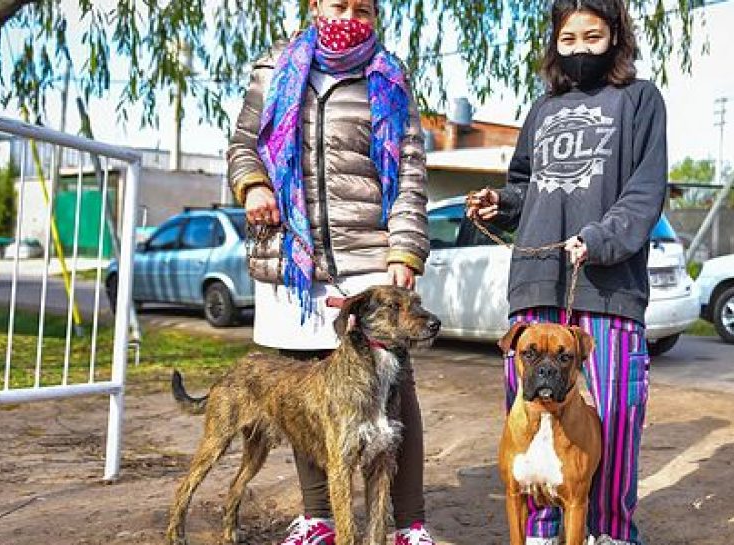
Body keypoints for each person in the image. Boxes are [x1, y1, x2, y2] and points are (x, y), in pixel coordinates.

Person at [226, 0, 432, 543]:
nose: (351, 16)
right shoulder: (275, 67)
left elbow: (409, 169)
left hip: (368, 256)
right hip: (291, 259)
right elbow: (244, 145)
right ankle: (318, 516)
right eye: (339, 3)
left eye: (363, 8)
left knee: (393, 394)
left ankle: (407, 524)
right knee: (304, 392)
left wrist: (403, 251)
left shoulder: (388, 76)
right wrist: (255, 186)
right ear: (314, 5)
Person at [466, 1, 667, 543]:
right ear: (556, 43)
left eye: (593, 37)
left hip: (610, 282)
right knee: (531, 413)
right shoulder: (542, 108)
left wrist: (601, 238)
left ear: (616, 36)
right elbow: (524, 183)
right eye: (569, 38)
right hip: (536, 277)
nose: (580, 49)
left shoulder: (641, 101)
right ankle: (540, 529)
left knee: (619, 416)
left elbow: (646, 190)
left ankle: (609, 532)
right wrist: (499, 205)